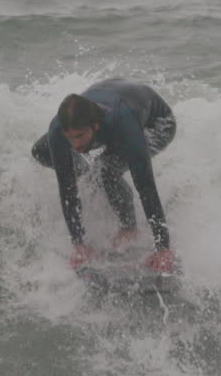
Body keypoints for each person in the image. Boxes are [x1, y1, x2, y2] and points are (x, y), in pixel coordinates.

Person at [30, 78, 177, 272]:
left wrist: (163, 247)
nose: (75, 145)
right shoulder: (58, 129)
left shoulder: (123, 122)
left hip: (157, 124)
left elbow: (145, 185)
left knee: (107, 170)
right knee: (42, 150)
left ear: (95, 126)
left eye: (80, 136)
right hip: (114, 99)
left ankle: (129, 228)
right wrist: (79, 243)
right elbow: (67, 188)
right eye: (70, 138)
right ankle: (87, 171)